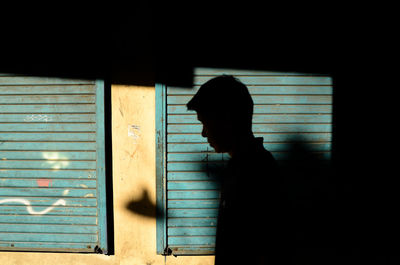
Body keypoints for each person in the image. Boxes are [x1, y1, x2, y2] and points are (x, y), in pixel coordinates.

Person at [187, 75, 292, 265]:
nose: (203, 133)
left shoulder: (258, 173)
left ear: (227, 120)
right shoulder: (240, 167)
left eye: (205, 123)